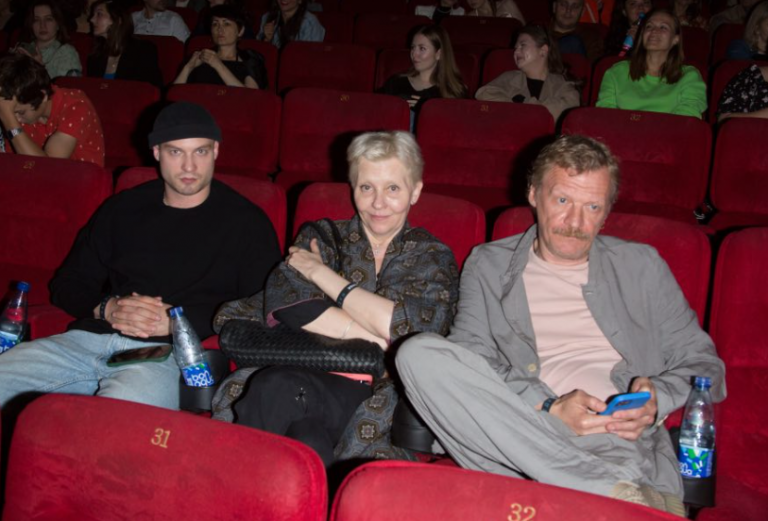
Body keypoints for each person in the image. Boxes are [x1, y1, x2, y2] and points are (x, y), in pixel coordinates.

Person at [396, 134, 726, 516]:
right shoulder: (489, 264)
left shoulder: (642, 266)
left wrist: (656, 402)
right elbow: (471, 356)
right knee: (417, 354)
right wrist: (549, 405)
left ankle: (581, 490)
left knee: (605, 466)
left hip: (610, 436)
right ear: (534, 194)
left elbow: (707, 367)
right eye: (563, 201)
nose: (575, 223)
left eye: (592, 206)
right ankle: (610, 494)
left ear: (607, 212)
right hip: (521, 429)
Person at [0, 101, 282, 412]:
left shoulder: (247, 222)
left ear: (215, 150)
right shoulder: (122, 209)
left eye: (200, 151)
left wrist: (178, 321)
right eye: (176, 152)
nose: (189, 166)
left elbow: (263, 308)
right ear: (157, 152)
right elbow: (67, 283)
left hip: (170, 354)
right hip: (87, 341)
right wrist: (107, 308)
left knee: (113, 421)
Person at [213, 131, 460, 467]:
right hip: (305, 368)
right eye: (366, 187)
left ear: (415, 191)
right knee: (305, 438)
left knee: (277, 388)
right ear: (352, 186)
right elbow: (297, 308)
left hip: (379, 394)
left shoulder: (431, 255)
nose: (378, 203)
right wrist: (376, 339)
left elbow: (406, 326)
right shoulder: (324, 236)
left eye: (393, 189)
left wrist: (323, 276)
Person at [596, 9, 706, 118]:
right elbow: (605, 115)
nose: (653, 31)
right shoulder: (616, 72)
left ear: (675, 39)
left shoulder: (689, 76)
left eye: (663, 27)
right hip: (620, 129)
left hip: (671, 130)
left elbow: (687, 118)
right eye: (649, 26)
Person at [0, 53, 104, 166]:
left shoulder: (77, 106)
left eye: (20, 112)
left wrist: (8, 118)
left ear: (42, 96)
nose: (17, 119)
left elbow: (48, 167)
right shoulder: (21, 106)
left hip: (80, 175)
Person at [476, 25, 580, 123]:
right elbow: (483, 94)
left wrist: (522, 103)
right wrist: (520, 108)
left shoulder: (561, 84)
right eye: (516, 48)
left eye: (522, 45)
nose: (516, 52)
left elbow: (570, 107)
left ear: (543, 50)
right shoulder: (509, 77)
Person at [379, 25, 467, 130]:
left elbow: (457, 128)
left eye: (422, 48)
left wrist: (426, 110)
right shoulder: (396, 82)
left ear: (438, 54)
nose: (414, 54)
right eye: (413, 47)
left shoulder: (452, 91)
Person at [175, 4, 267, 89]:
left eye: (226, 24)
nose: (220, 29)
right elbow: (174, 94)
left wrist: (218, 65)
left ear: (240, 31)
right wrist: (188, 68)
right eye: (215, 24)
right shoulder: (200, 57)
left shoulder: (249, 59)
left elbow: (251, 96)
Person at [87, 0, 163, 87]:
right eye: (93, 15)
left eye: (99, 14)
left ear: (118, 20)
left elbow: (153, 89)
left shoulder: (143, 50)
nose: (91, 20)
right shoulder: (96, 55)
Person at [16, 0, 81, 79]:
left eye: (48, 19)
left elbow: (69, 85)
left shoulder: (67, 52)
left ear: (58, 24)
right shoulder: (24, 48)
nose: (42, 25)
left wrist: (39, 66)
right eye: (36, 20)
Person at [257, 0, 324, 49]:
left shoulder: (310, 23)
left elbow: (310, 55)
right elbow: (258, 53)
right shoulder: (267, 18)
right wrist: (266, 40)